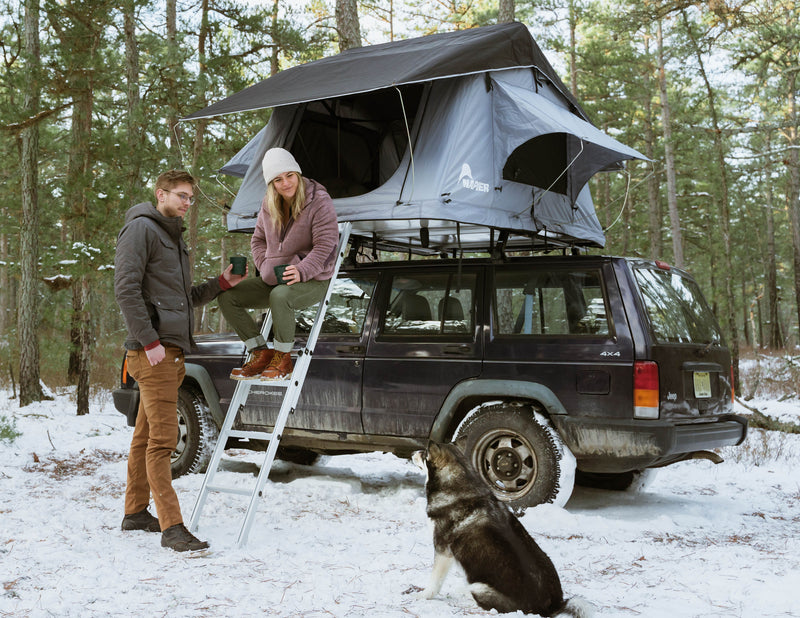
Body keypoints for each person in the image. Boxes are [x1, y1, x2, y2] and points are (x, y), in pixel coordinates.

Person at [114, 170, 246, 552]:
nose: (188, 203)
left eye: (191, 197)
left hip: (169, 351)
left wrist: (221, 284)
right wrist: (150, 340)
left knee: (144, 437)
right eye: (182, 196)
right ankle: (172, 528)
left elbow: (182, 299)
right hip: (153, 353)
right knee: (164, 442)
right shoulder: (141, 229)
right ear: (161, 194)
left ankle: (136, 511)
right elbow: (125, 290)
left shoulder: (173, 239)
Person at [218, 147, 339, 380]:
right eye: (277, 179)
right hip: (275, 278)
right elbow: (258, 240)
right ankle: (261, 353)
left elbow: (326, 245)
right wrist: (264, 266)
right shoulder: (269, 203)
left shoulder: (319, 201)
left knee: (280, 295)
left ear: (298, 173)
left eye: (289, 176)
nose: (285, 183)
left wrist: (302, 270)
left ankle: (283, 359)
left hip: (314, 279)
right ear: (271, 184)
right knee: (227, 296)